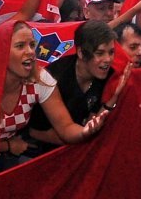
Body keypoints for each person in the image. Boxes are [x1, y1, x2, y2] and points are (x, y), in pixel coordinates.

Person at [0, 20, 130, 180]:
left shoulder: (40, 79)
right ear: (3, 52)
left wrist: (86, 131)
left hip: (2, 160)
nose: (30, 51)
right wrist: (7, 145)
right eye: (20, 46)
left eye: (32, 45)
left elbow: (66, 128)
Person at [27, 20, 122, 153]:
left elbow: (92, 123)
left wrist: (113, 98)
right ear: (81, 53)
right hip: (40, 152)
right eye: (100, 53)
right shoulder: (54, 78)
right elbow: (35, 132)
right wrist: (83, 139)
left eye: (111, 52)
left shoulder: (109, 76)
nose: (108, 59)